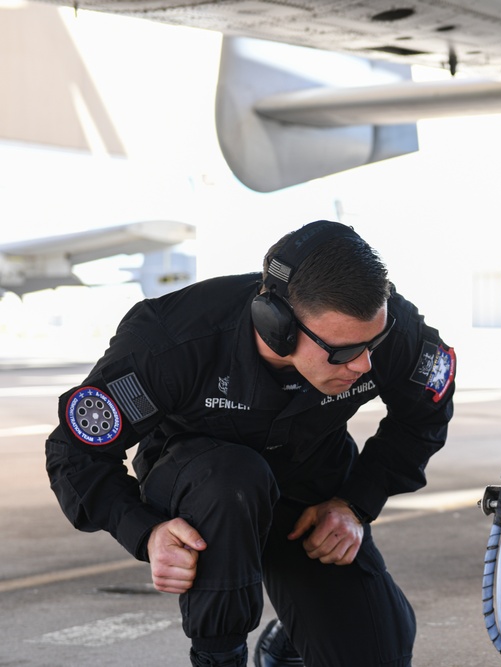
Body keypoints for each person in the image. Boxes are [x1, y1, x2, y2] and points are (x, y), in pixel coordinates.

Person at [44, 220, 456, 666]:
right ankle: (219, 657)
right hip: (202, 485)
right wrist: (146, 532)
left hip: (312, 489)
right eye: (342, 352)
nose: (363, 364)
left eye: (371, 344)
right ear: (276, 325)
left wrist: (356, 502)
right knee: (232, 480)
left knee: (375, 653)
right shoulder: (173, 341)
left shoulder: (388, 331)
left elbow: (423, 417)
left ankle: (292, 644)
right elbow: (75, 452)